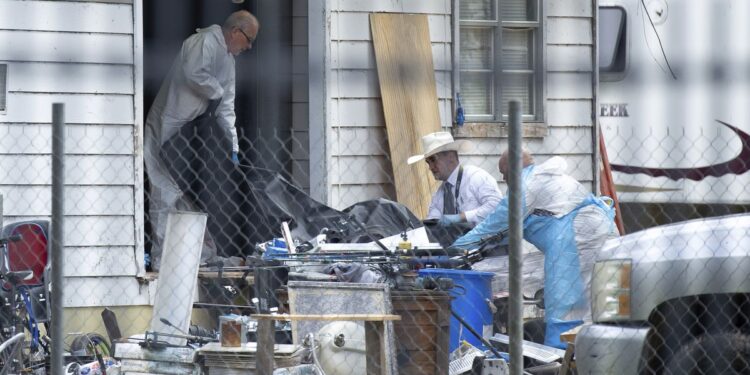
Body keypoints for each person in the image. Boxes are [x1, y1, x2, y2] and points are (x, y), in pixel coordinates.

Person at [453, 149, 618, 348]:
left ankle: (561, 358)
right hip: (604, 236)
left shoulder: (525, 187)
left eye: (504, 173)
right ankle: (597, 354)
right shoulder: (543, 180)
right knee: (601, 306)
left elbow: (493, 226)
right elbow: (506, 231)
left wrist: (452, 249)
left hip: (577, 240)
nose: (504, 179)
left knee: (566, 305)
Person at [144, 10, 260, 269]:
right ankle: (163, 261)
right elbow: (194, 72)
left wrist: (233, 147)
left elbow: (226, 108)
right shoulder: (204, 41)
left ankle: (201, 257)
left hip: (192, 137)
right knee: (165, 195)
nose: (250, 46)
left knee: (196, 197)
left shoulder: (229, 60)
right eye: (249, 39)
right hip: (168, 127)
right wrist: (217, 91)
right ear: (235, 31)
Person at [408, 132, 503, 228]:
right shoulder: (439, 195)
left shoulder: (475, 177)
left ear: (450, 157)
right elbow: (433, 221)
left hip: (485, 241)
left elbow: (497, 205)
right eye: (428, 162)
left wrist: (462, 217)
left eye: (433, 160)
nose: (430, 167)